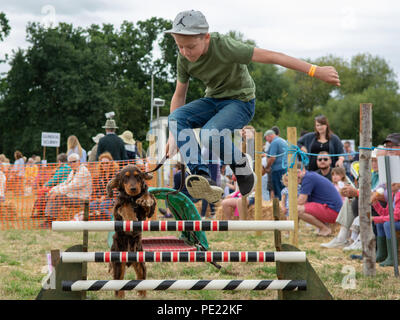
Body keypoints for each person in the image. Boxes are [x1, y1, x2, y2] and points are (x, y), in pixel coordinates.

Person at [164, 10, 340, 206]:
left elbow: (273, 56)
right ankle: (201, 177)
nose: (186, 52)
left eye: (191, 46)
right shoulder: (183, 60)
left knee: (209, 134)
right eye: (180, 46)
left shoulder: (225, 46)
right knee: (175, 117)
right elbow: (179, 96)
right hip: (213, 101)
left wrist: (315, 70)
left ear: (206, 37)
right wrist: (174, 136)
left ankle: (240, 165)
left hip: (241, 102)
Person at [41, 153, 92, 228]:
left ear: (79, 161)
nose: (72, 164)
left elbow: (72, 186)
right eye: (70, 162)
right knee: (51, 195)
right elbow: (65, 183)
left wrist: (57, 192)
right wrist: (52, 190)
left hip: (82, 198)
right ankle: (48, 219)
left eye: (74, 161)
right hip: (73, 196)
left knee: (58, 197)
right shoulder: (73, 171)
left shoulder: (83, 171)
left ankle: (50, 222)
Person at [297, 163, 343, 236]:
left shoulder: (307, 178)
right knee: (298, 208)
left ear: (303, 170)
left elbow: (301, 201)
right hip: (335, 211)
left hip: (333, 212)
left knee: (298, 209)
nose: (296, 175)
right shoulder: (310, 176)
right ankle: (292, 231)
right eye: (294, 174)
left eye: (298, 172)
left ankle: (324, 229)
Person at [31, 153, 72, 218]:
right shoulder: (68, 168)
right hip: (64, 188)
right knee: (44, 192)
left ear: (59, 161)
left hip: (61, 188)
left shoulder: (63, 168)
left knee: (42, 191)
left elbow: (54, 179)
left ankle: (41, 211)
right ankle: (42, 211)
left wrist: (45, 185)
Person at [372, 183, 400, 267]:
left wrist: (375, 219)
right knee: (380, 224)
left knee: (388, 225)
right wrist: (375, 203)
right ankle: (382, 253)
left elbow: (395, 216)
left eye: (393, 184)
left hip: (397, 219)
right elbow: (386, 213)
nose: (390, 185)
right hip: (397, 220)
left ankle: (393, 257)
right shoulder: (392, 195)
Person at [89, 152, 118, 220]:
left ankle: (114, 220)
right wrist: (97, 198)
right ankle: (102, 222)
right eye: (102, 163)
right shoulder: (100, 176)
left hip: (114, 199)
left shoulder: (115, 175)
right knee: (91, 205)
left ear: (111, 163)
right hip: (103, 199)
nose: (105, 165)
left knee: (102, 206)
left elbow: (116, 192)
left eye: (107, 163)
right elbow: (98, 191)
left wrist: (104, 197)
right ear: (100, 165)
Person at [264, 129, 288, 200]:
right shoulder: (282, 140)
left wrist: (267, 167)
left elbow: (272, 158)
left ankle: (280, 207)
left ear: (269, 136)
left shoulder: (274, 142)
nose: (266, 140)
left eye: (266, 138)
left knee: (278, 191)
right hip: (285, 168)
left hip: (277, 170)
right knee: (285, 189)